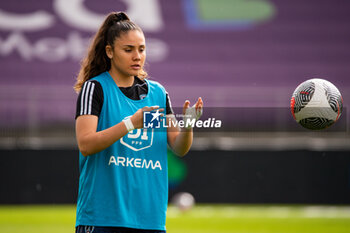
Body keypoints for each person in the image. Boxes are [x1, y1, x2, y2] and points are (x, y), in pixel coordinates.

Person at [73, 11, 203, 233]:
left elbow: (179, 147)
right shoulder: (95, 89)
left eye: (141, 49)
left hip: (149, 221)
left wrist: (188, 125)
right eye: (128, 50)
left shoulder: (157, 94)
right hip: (103, 219)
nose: (137, 56)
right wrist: (131, 123)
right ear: (109, 52)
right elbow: (86, 144)